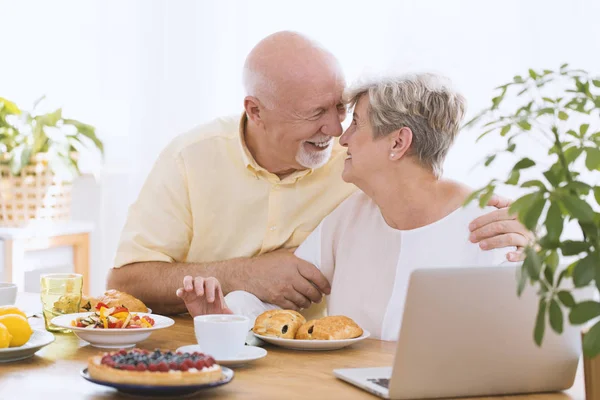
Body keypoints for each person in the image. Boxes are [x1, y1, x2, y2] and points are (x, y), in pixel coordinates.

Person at [107, 31, 530, 316]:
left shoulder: (369, 181)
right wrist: (231, 298)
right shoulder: (190, 158)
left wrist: (533, 232)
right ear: (255, 111)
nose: (337, 134)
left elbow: (421, 175)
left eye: (345, 114)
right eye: (315, 114)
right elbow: (126, 281)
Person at [176, 72, 518, 340]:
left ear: (398, 142)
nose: (343, 138)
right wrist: (225, 312)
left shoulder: (494, 229)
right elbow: (278, 301)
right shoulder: (351, 215)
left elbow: (529, 336)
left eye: (356, 123)